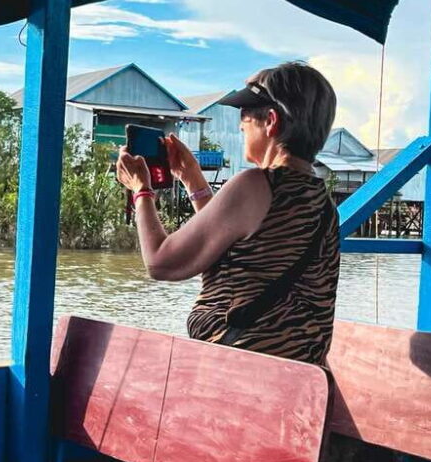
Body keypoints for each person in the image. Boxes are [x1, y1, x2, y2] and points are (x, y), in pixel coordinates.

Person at [116, 60, 339, 364]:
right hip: (299, 375)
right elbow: (228, 242)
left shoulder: (254, 184)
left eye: (246, 114)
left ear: (271, 121)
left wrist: (141, 189)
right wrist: (192, 177)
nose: (240, 122)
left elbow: (160, 263)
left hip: (240, 372)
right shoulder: (323, 202)